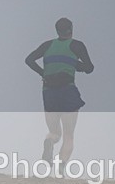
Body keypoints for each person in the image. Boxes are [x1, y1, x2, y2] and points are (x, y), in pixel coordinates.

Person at [25, 17, 94, 169]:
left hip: (49, 92)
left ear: (57, 30)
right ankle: (60, 168)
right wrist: (76, 64)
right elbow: (89, 68)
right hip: (67, 91)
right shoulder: (77, 45)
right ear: (71, 29)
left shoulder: (47, 45)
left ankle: (49, 142)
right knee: (69, 135)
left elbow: (29, 60)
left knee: (54, 132)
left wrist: (43, 73)